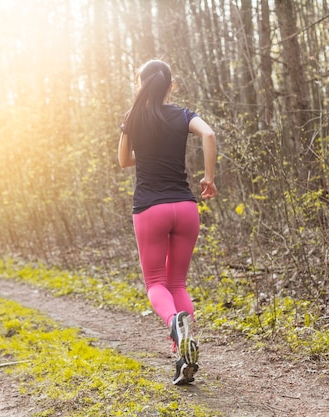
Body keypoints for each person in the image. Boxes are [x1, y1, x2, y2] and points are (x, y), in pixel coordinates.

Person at [118, 59, 217, 385]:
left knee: (155, 283)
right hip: (185, 207)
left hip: (150, 209)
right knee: (178, 283)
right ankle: (183, 356)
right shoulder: (184, 115)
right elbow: (210, 134)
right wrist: (209, 178)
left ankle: (175, 324)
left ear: (140, 84)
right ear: (170, 86)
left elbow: (123, 161)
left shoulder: (133, 118)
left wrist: (144, 151)